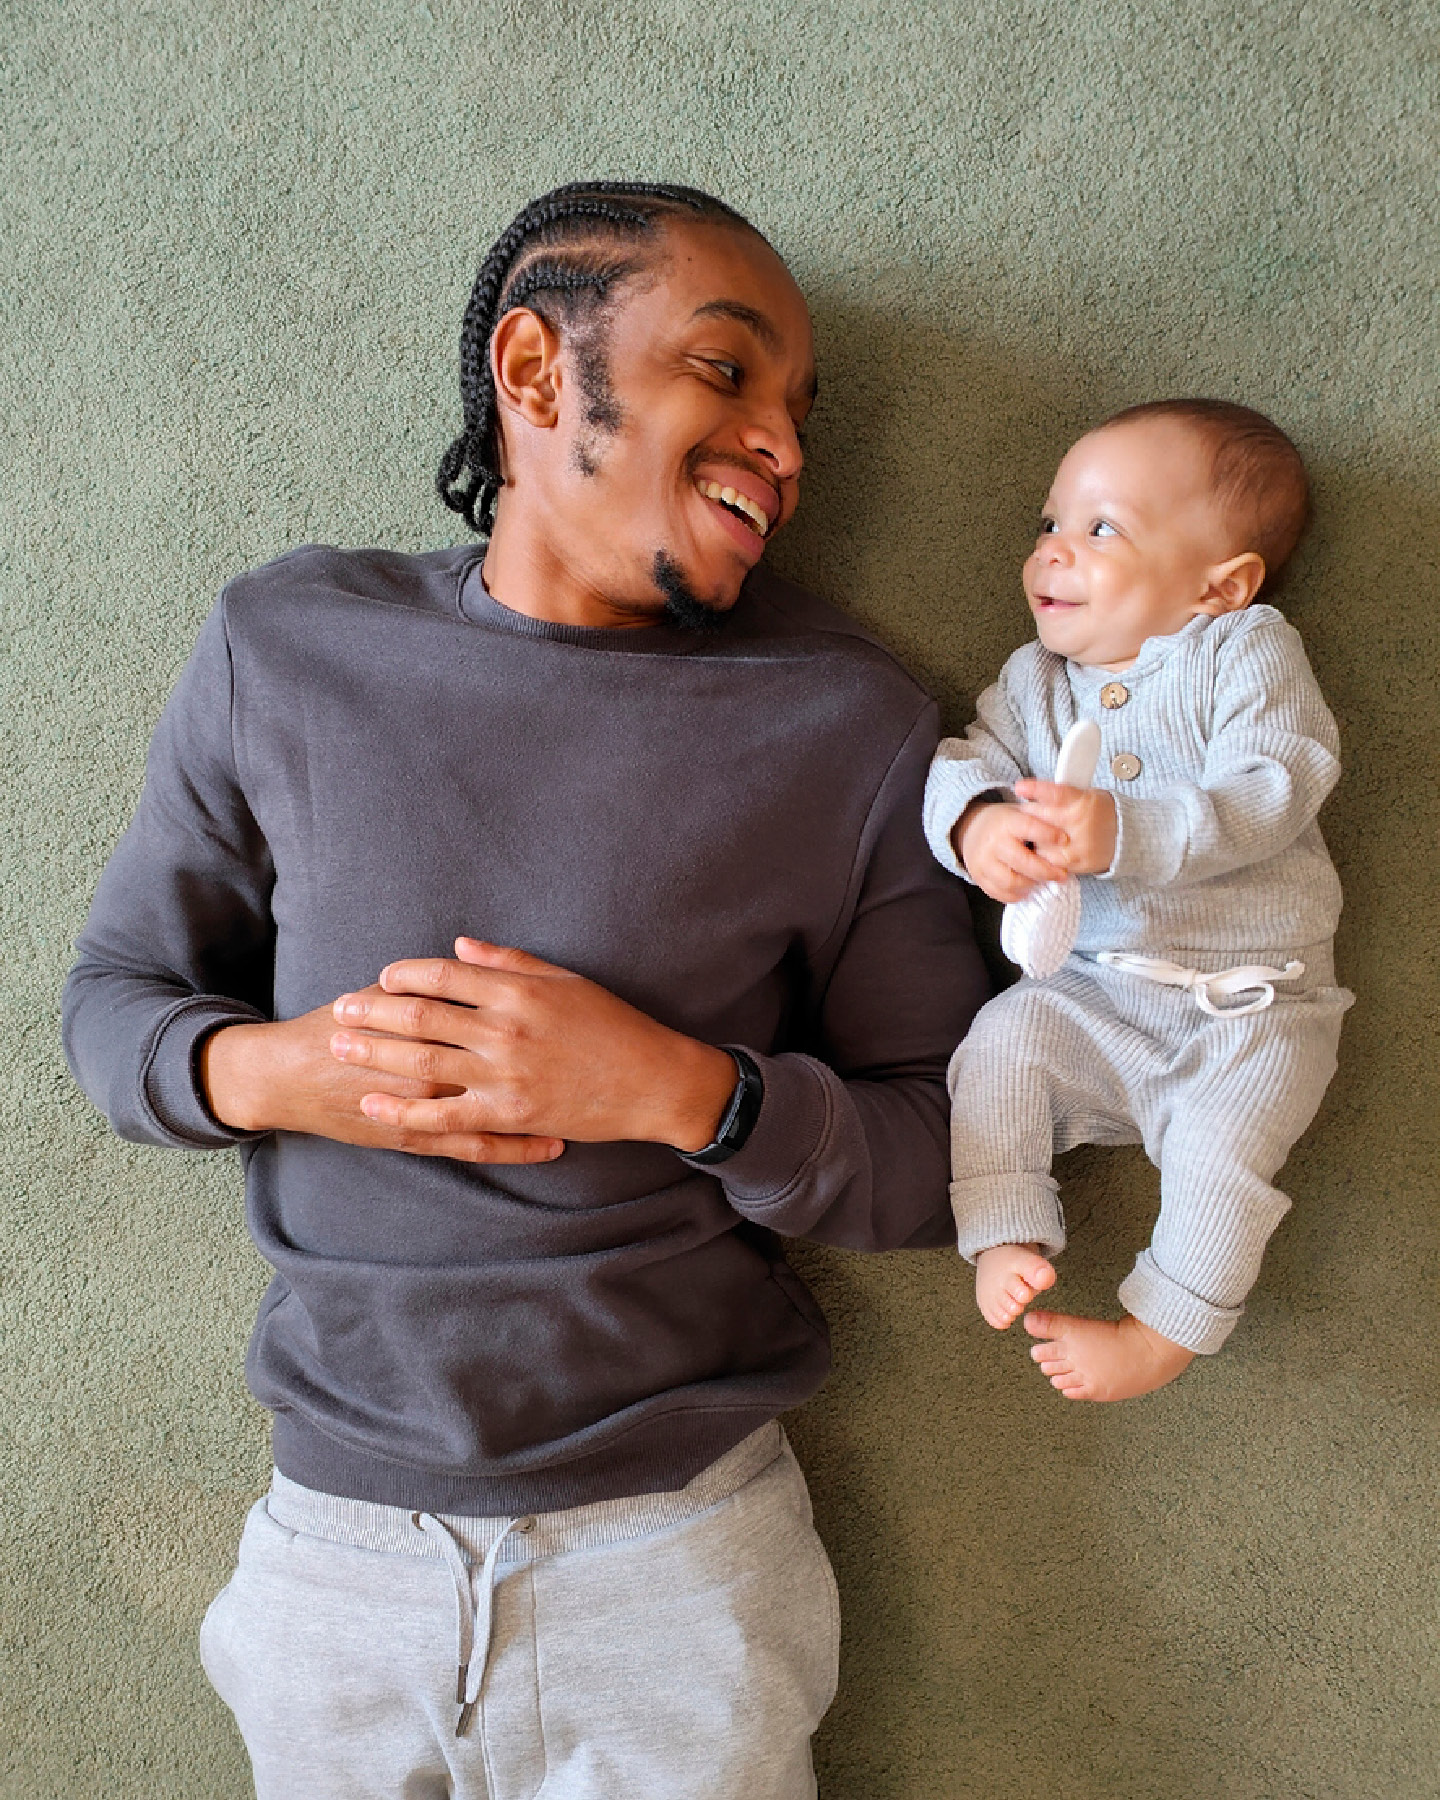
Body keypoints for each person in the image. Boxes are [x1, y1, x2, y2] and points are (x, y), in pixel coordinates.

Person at [62, 181, 987, 1798]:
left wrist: (676, 1089)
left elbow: (951, 1159)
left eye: (800, 411)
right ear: (538, 372)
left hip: (678, 1562)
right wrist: (287, 1074)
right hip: (331, 1561)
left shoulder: (854, 728)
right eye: (728, 373)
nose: (781, 441)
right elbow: (114, 1001)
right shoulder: (285, 647)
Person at [924, 399, 1352, 1403]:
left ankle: (1162, 1329)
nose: (1052, 554)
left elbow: (1278, 783)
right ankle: (1005, 1228)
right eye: (1048, 525)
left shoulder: (1241, 652)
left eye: (1099, 528)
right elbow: (962, 765)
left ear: (1221, 584)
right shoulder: (1036, 685)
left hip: (1255, 1008)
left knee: (1223, 1158)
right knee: (1000, 1047)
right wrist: (980, 826)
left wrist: (1124, 831)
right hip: (1095, 997)